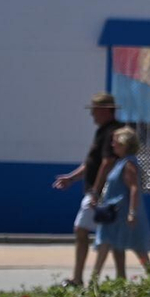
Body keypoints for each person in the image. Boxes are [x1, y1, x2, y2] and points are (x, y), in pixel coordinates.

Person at [52, 92, 119, 286]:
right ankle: (82, 278)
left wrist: (96, 191)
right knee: (101, 235)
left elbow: (107, 163)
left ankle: (83, 278)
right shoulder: (102, 131)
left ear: (106, 111)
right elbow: (91, 163)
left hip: (102, 192)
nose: (92, 115)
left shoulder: (112, 132)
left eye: (95, 111)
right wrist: (72, 178)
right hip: (96, 191)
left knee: (87, 231)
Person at [89, 126, 150, 282]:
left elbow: (134, 188)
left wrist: (132, 213)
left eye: (115, 142)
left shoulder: (128, 164)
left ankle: (94, 281)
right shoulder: (121, 162)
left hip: (121, 212)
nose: (112, 145)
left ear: (124, 144)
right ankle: (121, 278)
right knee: (117, 246)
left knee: (119, 244)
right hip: (113, 212)